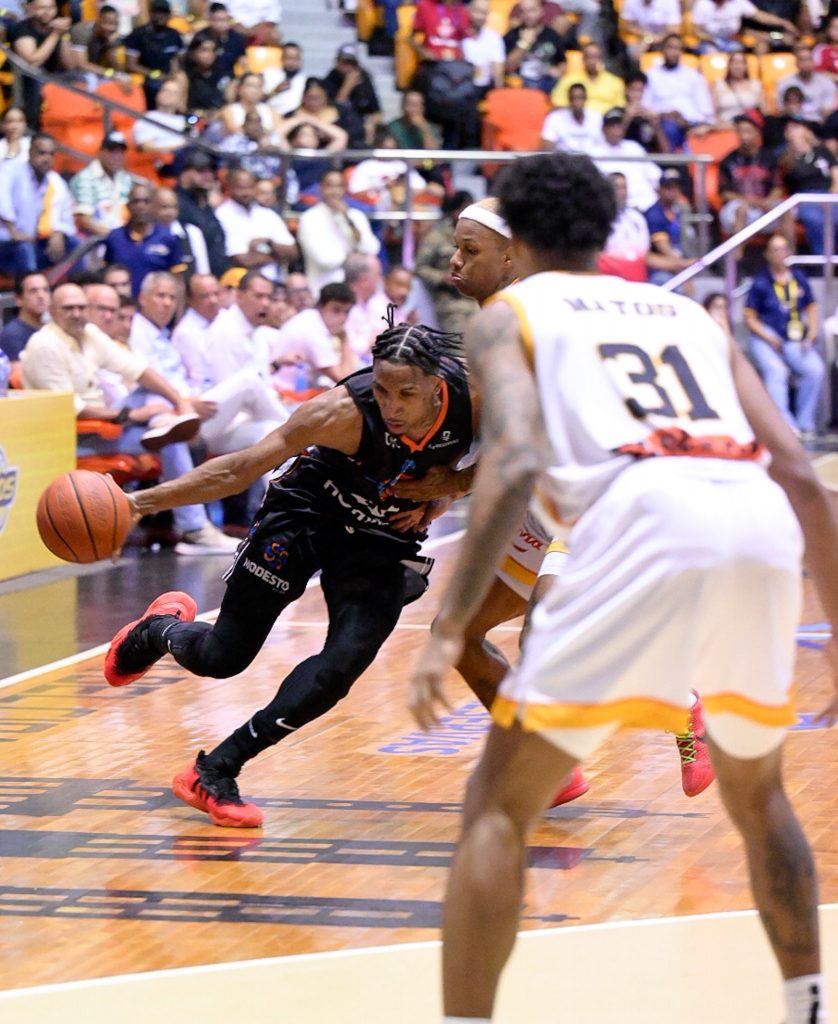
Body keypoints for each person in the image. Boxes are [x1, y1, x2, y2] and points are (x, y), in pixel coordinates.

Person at [408, 151, 838, 1024]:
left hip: (638, 517)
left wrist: (450, 625)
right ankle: (808, 1007)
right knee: (760, 798)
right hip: (755, 522)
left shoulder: (507, 314)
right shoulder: (689, 311)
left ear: (518, 239)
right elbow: (798, 468)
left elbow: (518, 460)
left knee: (495, 811)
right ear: (607, 230)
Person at [104, 318, 477, 830]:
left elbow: (523, 455)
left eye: (405, 394)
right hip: (307, 513)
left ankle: (214, 769)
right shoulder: (340, 413)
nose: (390, 406)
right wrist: (137, 503)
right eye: (382, 389)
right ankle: (159, 630)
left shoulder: (476, 401)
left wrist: (449, 487)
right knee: (222, 658)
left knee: (341, 666)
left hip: (381, 534)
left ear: (437, 387)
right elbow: (239, 470)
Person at [744, 232, 825, 436]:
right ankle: (784, 425)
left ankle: (805, 423)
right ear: (768, 254)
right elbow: (750, 317)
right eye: (775, 249)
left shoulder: (798, 278)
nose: (779, 253)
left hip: (795, 337)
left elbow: (812, 307)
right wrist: (768, 337)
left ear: (789, 252)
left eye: (783, 249)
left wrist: (812, 333)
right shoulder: (761, 282)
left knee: (815, 370)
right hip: (767, 337)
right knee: (777, 371)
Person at [0, 133, 76, 276]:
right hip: (5, 244)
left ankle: (79, 289)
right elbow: (1, 200)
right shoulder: (10, 169)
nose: (46, 159)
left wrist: (58, 232)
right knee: (24, 248)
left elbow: (67, 218)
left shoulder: (55, 181)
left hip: (33, 243)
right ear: (30, 152)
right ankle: (33, 291)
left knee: (73, 244)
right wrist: (13, 231)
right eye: (42, 153)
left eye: (51, 154)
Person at [296, 169, 381, 296]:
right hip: (323, 290)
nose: (335, 191)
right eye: (330, 186)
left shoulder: (355, 216)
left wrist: (347, 219)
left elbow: (372, 249)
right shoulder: (309, 218)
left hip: (356, 294)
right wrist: (354, 258)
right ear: (320, 188)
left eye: (339, 186)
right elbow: (324, 260)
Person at [215, 168, 298, 281]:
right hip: (241, 284)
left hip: (274, 282)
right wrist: (277, 256)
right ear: (229, 187)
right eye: (240, 188)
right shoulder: (221, 215)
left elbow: (293, 253)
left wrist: (269, 243)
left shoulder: (267, 214)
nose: (246, 193)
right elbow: (243, 260)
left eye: (249, 187)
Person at [103, 182, 184, 295]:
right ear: (127, 206)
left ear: (154, 206)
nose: (140, 206)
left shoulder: (168, 238)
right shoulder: (114, 238)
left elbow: (178, 282)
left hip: (156, 309)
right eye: (135, 201)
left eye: (146, 201)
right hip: (122, 307)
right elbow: (107, 276)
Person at [718, 111, 782, 236]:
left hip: (764, 205)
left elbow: (778, 187)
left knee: (785, 210)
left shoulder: (769, 158)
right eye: (740, 131)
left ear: (757, 133)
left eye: (747, 131)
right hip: (738, 206)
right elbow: (725, 193)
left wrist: (768, 201)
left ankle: (789, 254)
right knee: (741, 210)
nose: (743, 136)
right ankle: (736, 255)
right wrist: (750, 202)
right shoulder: (729, 160)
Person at [69, 131, 140, 239]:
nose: (117, 156)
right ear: (100, 152)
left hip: (120, 238)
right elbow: (84, 219)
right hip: (92, 242)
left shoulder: (125, 178)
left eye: (121, 152)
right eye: (112, 151)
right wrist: (116, 238)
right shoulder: (85, 178)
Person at [503, 0, 566, 94]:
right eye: (523, 11)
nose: (527, 15)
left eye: (531, 11)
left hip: (546, 85)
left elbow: (562, 62)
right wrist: (524, 44)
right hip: (519, 86)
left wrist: (558, 72)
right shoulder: (511, 36)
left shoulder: (552, 35)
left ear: (541, 11)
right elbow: (508, 67)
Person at [0, 270, 50, 363]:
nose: (41, 296)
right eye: (33, 291)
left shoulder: (50, 329)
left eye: (45, 290)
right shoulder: (12, 335)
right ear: (19, 299)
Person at [540, 83, 603, 153]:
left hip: (592, 160)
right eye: (573, 98)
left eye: (580, 98)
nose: (577, 102)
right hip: (565, 160)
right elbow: (548, 143)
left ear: (585, 99)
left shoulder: (596, 117)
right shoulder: (555, 118)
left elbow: (603, 143)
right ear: (569, 100)